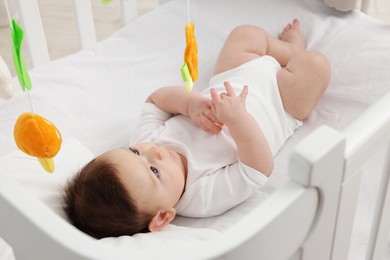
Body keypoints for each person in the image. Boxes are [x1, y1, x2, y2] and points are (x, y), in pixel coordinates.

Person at [62, 19, 330, 239]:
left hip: (232, 78)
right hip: (280, 103)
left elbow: (156, 99)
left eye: (133, 152)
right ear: (163, 216)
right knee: (317, 66)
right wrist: (237, 121)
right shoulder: (201, 197)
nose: (153, 151)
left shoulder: (147, 139)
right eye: (154, 171)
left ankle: (288, 51)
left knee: (243, 35)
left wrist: (190, 105)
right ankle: (297, 55)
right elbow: (258, 168)